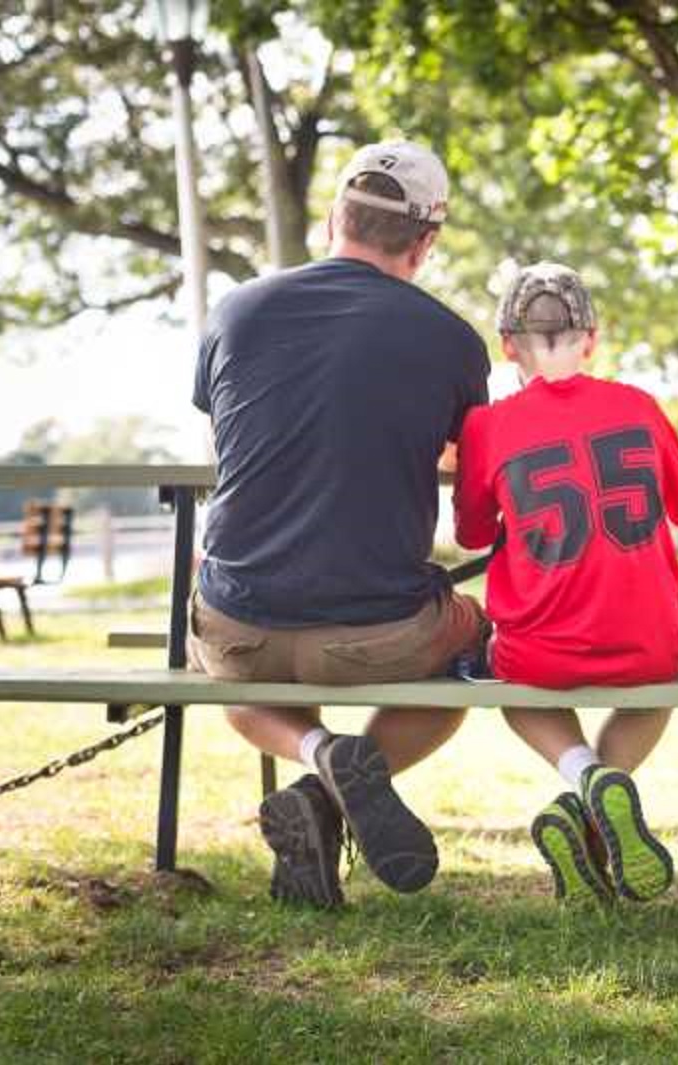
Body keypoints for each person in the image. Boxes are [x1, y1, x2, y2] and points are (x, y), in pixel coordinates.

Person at [188, 141, 490, 909]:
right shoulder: (452, 340)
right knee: (471, 652)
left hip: (239, 623)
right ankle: (332, 789)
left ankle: (320, 760)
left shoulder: (237, 310)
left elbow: (228, 429)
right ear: (425, 244)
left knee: (221, 673)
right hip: (381, 633)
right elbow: (468, 457)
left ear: (334, 219)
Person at [453, 262, 678, 905]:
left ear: (507, 345)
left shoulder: (486, 426)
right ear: (591, 338)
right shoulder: (639, 407)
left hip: (540, 649)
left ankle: (585, 776)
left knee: (513, 688)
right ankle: (598, 808)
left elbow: (476, 535)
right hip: (654, 643)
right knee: (658, 688)